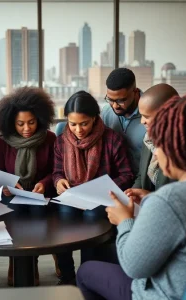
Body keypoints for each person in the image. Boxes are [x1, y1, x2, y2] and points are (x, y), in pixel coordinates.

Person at [76, 94, 186, 300]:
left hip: (162, 293)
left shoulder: (171, 200)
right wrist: (150, 198)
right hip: (181, 278)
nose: (155, 154)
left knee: (86, 271)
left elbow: (134, 268)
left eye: (158, 144)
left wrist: (125, 220)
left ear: (177, 146)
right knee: (101, 252)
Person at [53, 91, 134, 285]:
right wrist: (58, 181)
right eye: (73, 124)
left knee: (92, 217)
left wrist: (100, 188)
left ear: (95, 118)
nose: (78, 130)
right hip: (72, 196)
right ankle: (67, 275)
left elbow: (127, 175)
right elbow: (56, 171)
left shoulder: (112, 139)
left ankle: (88, 275)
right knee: (62, 214)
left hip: (100, 198)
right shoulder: (62, 141)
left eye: (84, 123)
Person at [0, 86, 56, 286]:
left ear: (40, 119)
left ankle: (32, 261)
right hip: (11, 194)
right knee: (16, 213)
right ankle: (16, 260)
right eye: (20, 124)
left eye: (31, 122)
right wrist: (8, 185)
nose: (26, 128)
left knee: (38, 215)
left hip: (40, 193)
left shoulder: (50, 139)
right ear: (11, 122)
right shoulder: (1, 142)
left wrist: (43, 184)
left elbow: (56, 171)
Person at [125, 83, 178, 203]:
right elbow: (141, 175)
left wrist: (150, 197)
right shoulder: (149, 139)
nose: (142, 121)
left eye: (147, 116)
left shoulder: (183, 149)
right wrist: (132, 194)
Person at [101, 68, 146, 176]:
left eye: (121, 100)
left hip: (144, 183)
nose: (115, 106)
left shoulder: (151, 114)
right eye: (110, 99)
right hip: (116, 180)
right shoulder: (106, 112)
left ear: (135, 92)